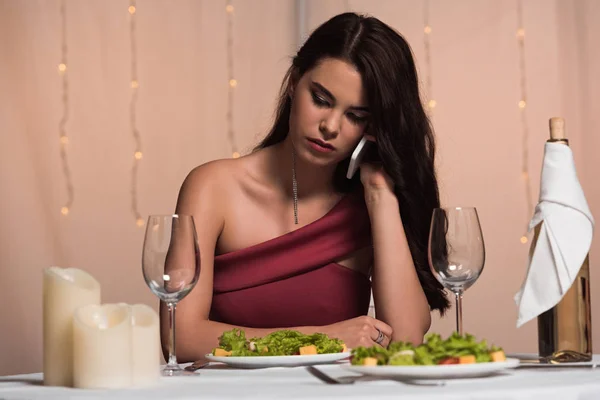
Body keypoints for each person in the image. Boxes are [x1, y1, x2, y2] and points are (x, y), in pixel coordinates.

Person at [164, 12, 449, 362]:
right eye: (321, 99)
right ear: (294, 83)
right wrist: (322, 338)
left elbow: (406, 343)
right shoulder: (212, 187)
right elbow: (179, 336)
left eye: (356, 116)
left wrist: (379, 192)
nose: (330, 126)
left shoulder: (368, 207)